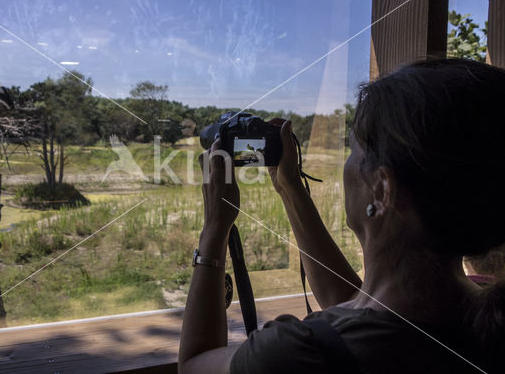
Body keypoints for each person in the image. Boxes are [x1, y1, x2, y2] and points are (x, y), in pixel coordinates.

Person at [178, 59, 505, 373]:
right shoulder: (485, 309)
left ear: (381, 187)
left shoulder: (296, 353)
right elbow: (352, 306)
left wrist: (215, 228)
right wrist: (289, 187)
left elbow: (195, 363)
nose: (346, 164)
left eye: (352, 150)